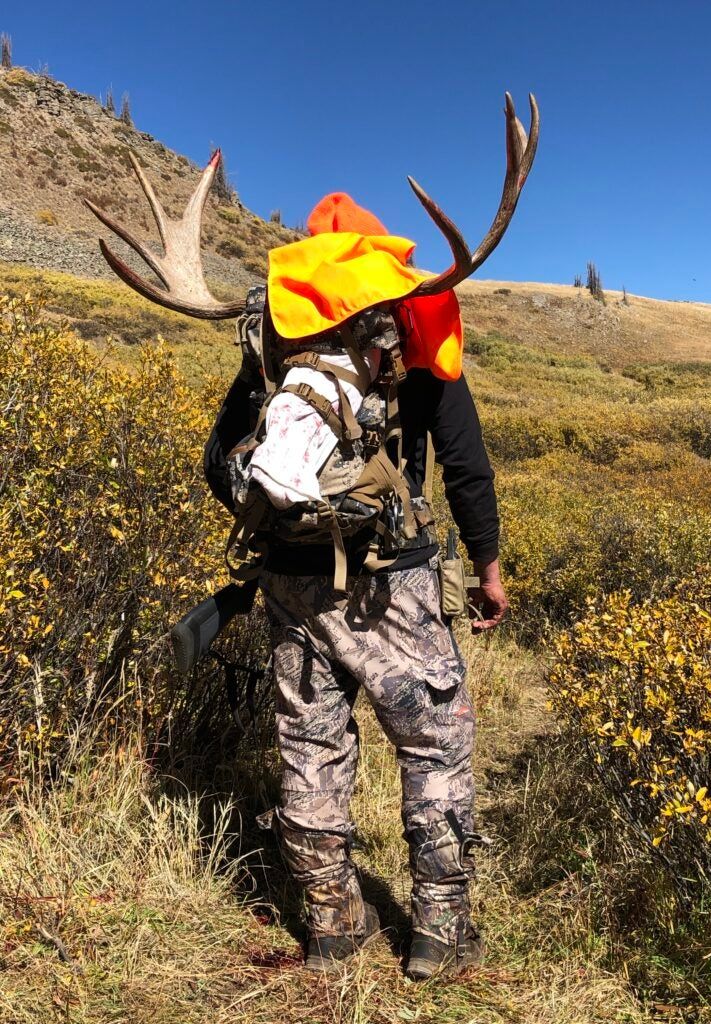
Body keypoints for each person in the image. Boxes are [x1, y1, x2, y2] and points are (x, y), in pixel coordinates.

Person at [204, 195, 509, 980]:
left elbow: (219, 468)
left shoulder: (277, 340)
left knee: (310, 748)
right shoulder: (412, 331)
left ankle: (333, 925)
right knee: (434, 744)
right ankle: (440, 934)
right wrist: (488, 568)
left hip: (291, 584)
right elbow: (466, 464)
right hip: (392, 584)